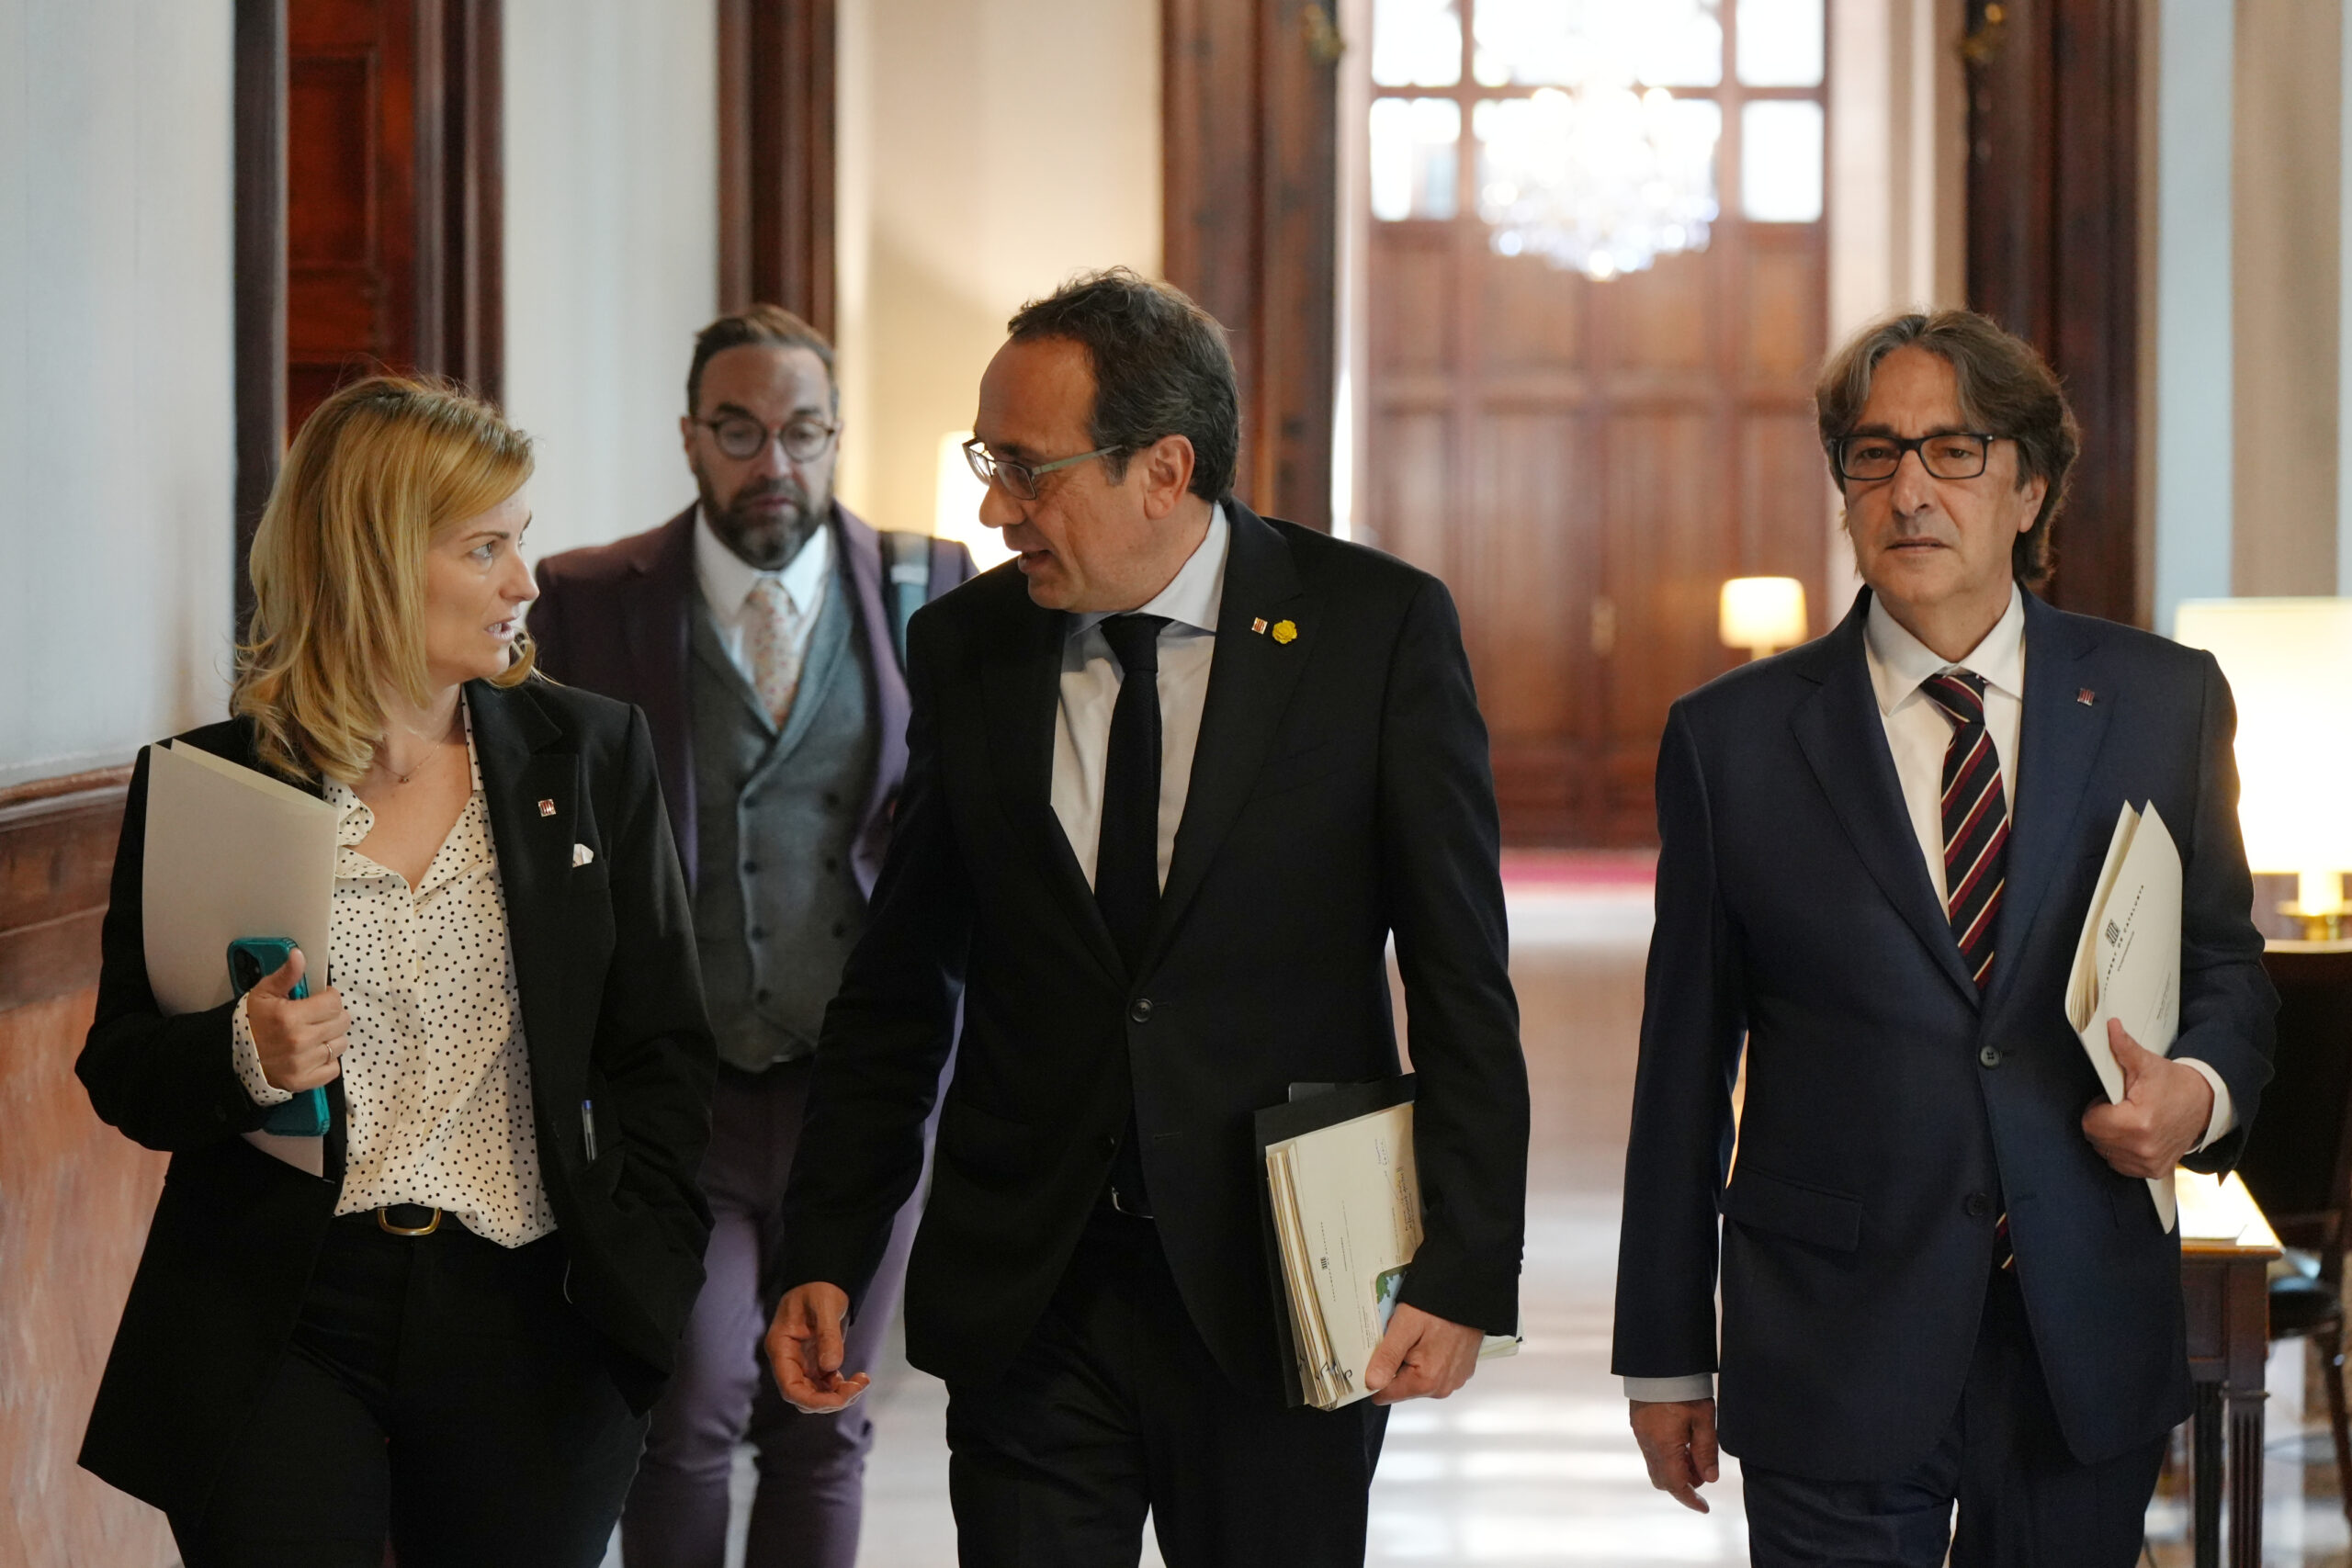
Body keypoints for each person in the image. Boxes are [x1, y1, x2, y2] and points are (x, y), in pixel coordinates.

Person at [760, 268, 1530, 1567]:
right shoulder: (967, 646)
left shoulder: (1374, 629)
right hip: (1032, 1289)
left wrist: (1463, 1265)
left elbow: (1461, 978)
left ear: (1164, 469)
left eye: (1027, 470)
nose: (995, 509)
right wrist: (830, 1241)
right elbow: (902, 980)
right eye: (988, 463)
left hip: (1283, 1287)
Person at [1613, 310, 2278, 1566]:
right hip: (1831, 1333)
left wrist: (2197, 1091)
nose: (1910, 489)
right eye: (1875, 455)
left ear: (2030, 489)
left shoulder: (2162, 700)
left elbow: (2226, 971)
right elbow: (1682, 1071)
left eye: (1955, 451)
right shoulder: (1730, 740)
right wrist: (1665, 1356)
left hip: (2080, 1327)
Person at [75, 376, 717, 1568]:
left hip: (535, 1311)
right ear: (371, 558)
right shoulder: (213, 783)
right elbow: (122, 1070)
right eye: (484, 548)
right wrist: (241, 1054)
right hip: (284, 1312)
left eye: (520, 540)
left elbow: (662, 1047)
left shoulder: (592, 756)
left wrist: (656, 1275)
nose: (525, 582)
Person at [529, 303, 974, 1568]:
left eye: (802, 431)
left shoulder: (931, 585)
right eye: (738, 431)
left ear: (836, 435)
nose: (772, 461)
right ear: (690, 437)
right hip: (678, 1092)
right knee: (685, 1404)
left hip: (866, 1094)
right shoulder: (585, 602)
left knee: (823, 1413)